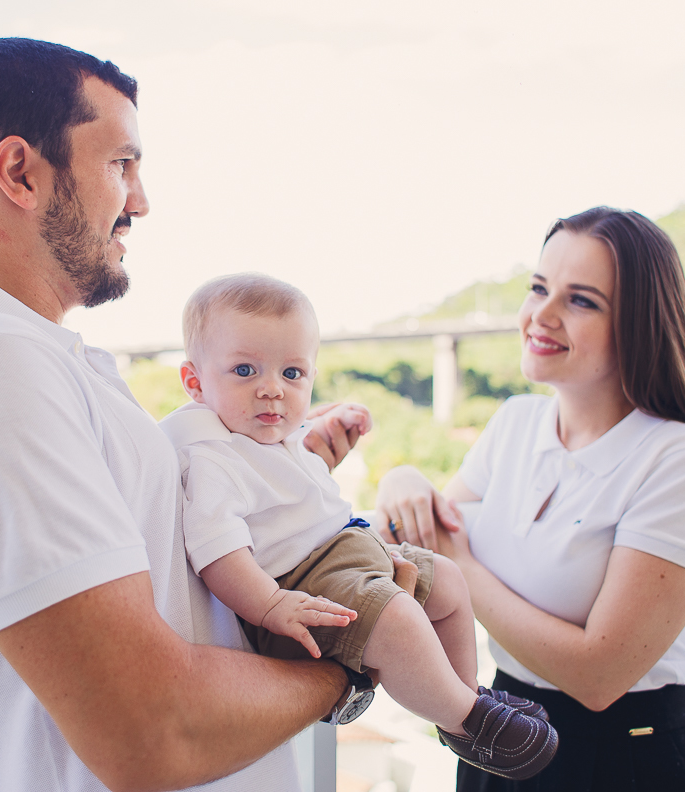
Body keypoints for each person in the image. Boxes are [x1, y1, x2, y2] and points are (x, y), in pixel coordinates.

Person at [0, 38, 399, 792]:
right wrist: (353, 658)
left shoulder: (21, 359)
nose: (140, 201)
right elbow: (151, 729)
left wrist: (278, 469)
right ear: (20, 173)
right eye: (121, 164)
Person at [375, 207, 685, 791]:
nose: (541, 315)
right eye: (539, 288)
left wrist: (460, 566)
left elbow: (600, 676)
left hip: (623, 758)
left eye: (581, 301)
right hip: (500, 735)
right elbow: (422, 538)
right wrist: (401, 479)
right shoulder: (515, 423)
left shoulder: (680, 460)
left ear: (638, 325)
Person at [159, 273, 558, 779]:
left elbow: (294, 475)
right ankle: (464, 716)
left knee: (449, 582)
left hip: (349, 549)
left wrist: (326, 427)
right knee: (397, 618)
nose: (272, 389)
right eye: (244, 370)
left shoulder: (267, 432)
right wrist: (271, 604)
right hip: (299, 582)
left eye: (292, 373)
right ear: (195, 382)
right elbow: (219, 551)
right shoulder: (211, 456)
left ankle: (466, 701)